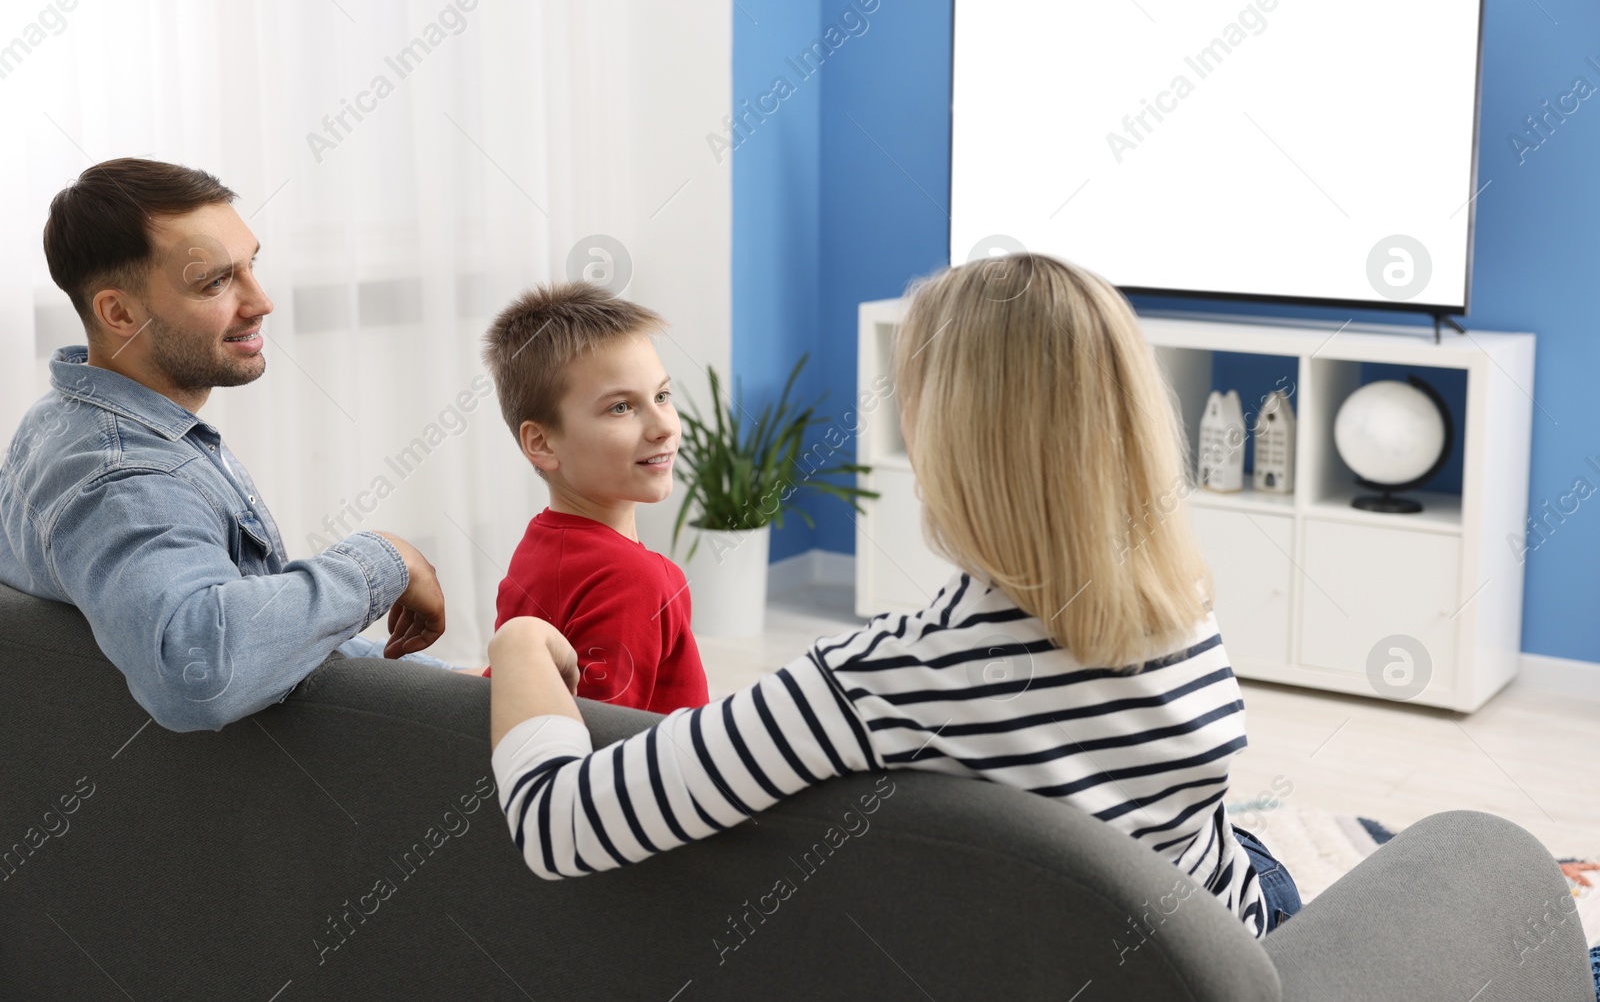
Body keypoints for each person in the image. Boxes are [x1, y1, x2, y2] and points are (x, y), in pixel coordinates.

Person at [484, 253, 1303, 937]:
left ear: (948, 431)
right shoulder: (1184, 601)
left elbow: (561, 824)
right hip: (1226, 935)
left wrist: (518, 640)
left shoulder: (889, 674)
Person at [0, 158, 472, 734]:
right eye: (216, 282)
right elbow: (200, 668)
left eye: (250, 266)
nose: (261, 301)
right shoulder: (126, 479)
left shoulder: (63, 418)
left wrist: (455, 682)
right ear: (119, 312)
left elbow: (264, 646)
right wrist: (384, 559)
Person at [478, 283, 709, 714]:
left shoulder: (539, 543)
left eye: (661, 396)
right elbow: (605, 746)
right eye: (621, 407)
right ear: (543, 444)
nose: (664, 427)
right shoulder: (639, 579)